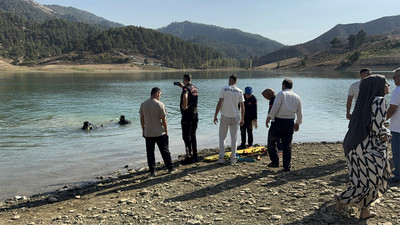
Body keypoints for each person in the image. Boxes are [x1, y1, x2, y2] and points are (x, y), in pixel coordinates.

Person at [335, 75, 390, 219]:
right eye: (385, 83)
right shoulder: (379, 101)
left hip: (353, 145)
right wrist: (387, 135)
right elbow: (377, 129)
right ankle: (342, 199)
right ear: (377, 86)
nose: (388, 86)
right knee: (372, 180)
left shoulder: (363, 102)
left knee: (363, 179)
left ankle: (364, 212)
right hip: (365, 147)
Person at [266, 79, 302, 171]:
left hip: (278, 121)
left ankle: (275, 162)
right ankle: (286, 166)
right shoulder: (297, 97)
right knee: (287, 144)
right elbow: (299, 112)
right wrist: (298, 123)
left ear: (283, 86)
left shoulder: (281, 94)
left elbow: (275, 107)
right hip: (290, 122)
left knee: (271, 141)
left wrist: (269, 118)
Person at [139, 87, 175, 176]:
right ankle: (170, 167)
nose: (160, 96)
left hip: (148, 132)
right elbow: (164, 120)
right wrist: (166, 131)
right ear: (157, 93)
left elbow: (142, 120)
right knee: (165, 151)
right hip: (159, 132)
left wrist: (143, 130)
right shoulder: (160, 104)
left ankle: (152, 171)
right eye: (160, 95)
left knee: (150, 153)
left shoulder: (143, 104)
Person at [214, 74, 245, 164]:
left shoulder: (224, 89)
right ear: (236, 81)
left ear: (229, 80)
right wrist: (242, 118)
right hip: (235, 116)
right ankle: (233, 158)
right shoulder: (239, 91)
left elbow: (219, 103)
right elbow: (242, 107)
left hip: (225, 115)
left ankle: (221, 158)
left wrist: (215, 115)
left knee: (222, 137)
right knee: (234, 138)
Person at [176, 73, 199, 164]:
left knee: (186, 136)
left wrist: (185, 106)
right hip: (195, 114)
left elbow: (185, 95)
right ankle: (195, 156)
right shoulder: (194, 88)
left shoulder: (186, 89)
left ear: (185, 80)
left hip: (187, 116)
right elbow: (188, 91)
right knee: (193, 135)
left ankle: (189, 157)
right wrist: (182, 86)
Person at [386, 68, 400, 182]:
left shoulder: (398, 90)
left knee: (397, 151)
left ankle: (398, 175)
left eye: (395, 77)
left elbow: (392, 108)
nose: (394, 79)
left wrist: (382, 119)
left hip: (397, 127)